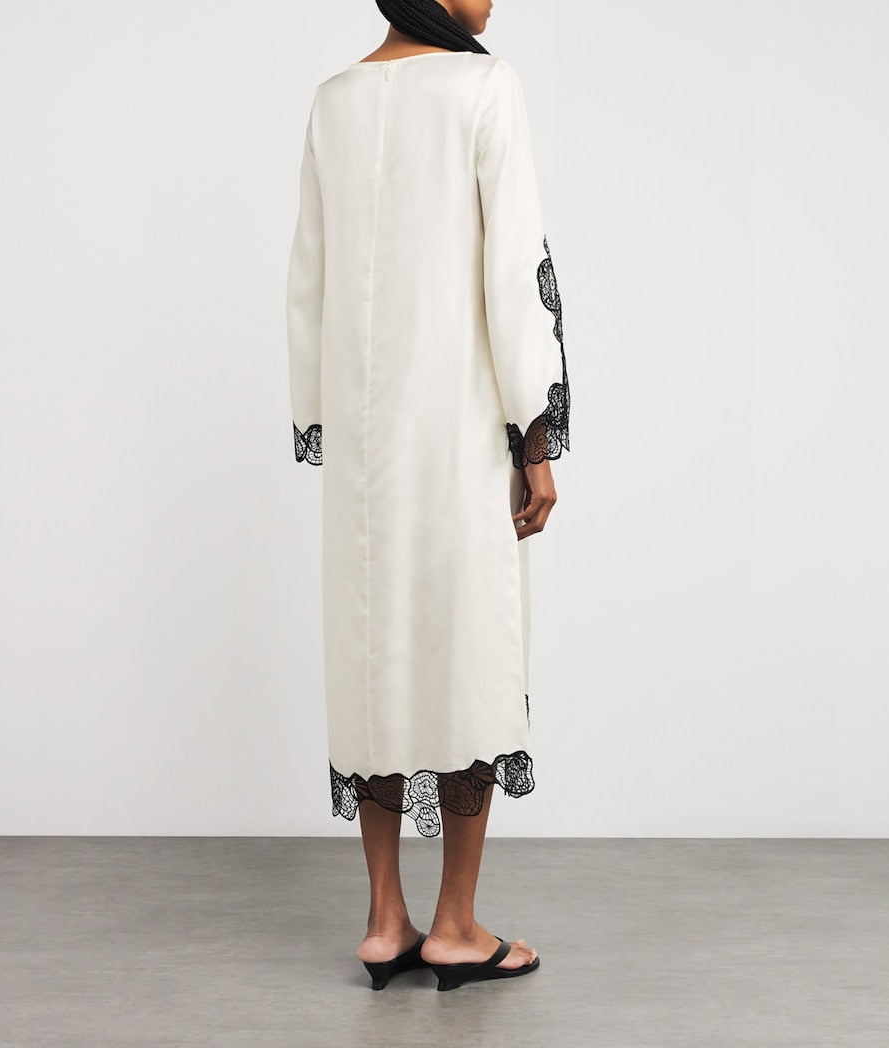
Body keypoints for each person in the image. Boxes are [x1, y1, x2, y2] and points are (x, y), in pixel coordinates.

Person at [285, 0, 569, 991]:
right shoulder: (485, 85)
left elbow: (308, 279)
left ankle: (382, 920)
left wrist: (321, 415)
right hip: (458, 431)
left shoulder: (333, 100)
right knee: (467, 652)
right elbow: (515, 272)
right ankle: (454, 924)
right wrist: (536, 436)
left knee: (373, 655)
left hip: (364, 443)